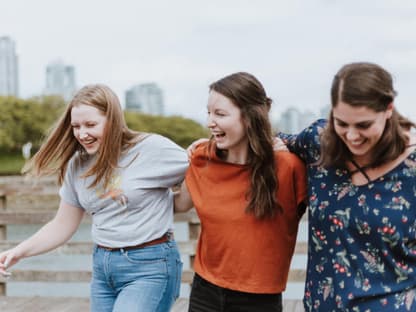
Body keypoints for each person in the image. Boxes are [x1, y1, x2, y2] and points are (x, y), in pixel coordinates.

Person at [0, 84, 188, 312]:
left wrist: (179, 201)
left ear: (113, 120)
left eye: (90, 125)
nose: (82, 134)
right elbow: (62, 224)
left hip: (150, 267)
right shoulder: (77, 166)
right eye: (76, 126)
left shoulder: (150, 149)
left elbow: (204, 171)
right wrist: (19, 251)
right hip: (103, 268)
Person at [278, 62, 416, 311]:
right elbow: (271, 144)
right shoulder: (318, 140)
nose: (352, 136)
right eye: (341, 123)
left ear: (388, 109)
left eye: (363, 125)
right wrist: (206, 151)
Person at [174, 72, 307, 312]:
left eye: (220, 114)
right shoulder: (201, 158)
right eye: (209, 113)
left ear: (249, 118)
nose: (210, 122)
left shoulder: (288, 167)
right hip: (205, 292)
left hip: (259, 300)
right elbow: (178, 205)